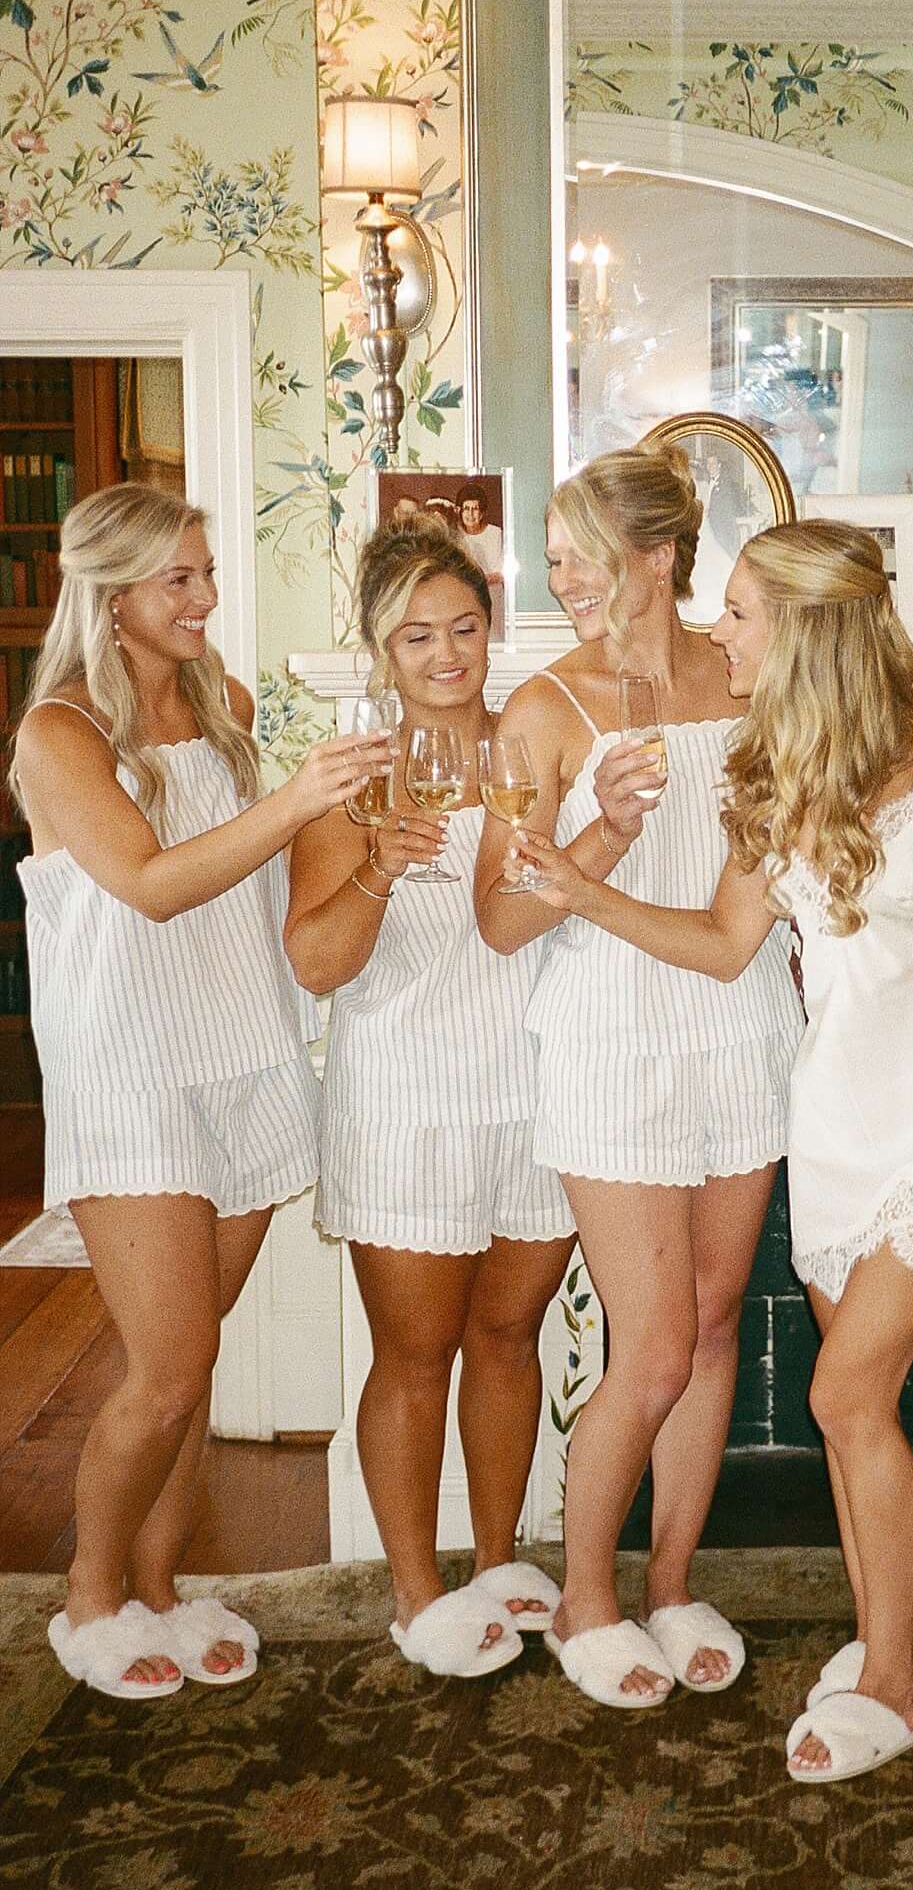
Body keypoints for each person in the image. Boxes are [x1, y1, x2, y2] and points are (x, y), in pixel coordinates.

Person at [552, 518, 913, 1784]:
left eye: (739, 614)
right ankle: (886, 1645)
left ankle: (893, 1679)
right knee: (855, 1415)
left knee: (838, 1395)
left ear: (809, 628)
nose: (719, 633)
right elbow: (724, 945)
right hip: (828, 1129)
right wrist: (581, 887)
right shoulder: (771, 769)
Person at [11, 477, 371, 1711]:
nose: (208, 600)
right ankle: (90, 1596)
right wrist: (301, 799)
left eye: (208, 572)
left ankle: (160, 1587)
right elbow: (154, 885)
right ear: (111, 594)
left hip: (244, 1053)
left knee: (197, 1360)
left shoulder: (222, 703)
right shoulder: (60, 735)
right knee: (164, 1368)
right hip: (134, 1077)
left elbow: (263, 890)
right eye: (182, 580)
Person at [471, 431, 802, 1714]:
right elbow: (502, 921)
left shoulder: (752, 685)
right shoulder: (539, 711)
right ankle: (583, 1595)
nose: (568, 587)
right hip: (608, 1045)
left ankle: (669, 1583)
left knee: (713, 1326)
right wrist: (601, 825)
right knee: (650, 1345)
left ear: (661, 558)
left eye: (587, 560)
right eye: (554, 564)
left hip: (739, 1032)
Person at [283, 515, 569, 1679]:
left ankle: (496, 1562)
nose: (447, 654)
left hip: (537, 1087)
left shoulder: (537, 746)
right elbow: (314, 962)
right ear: (379, 651)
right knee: (415, 1354)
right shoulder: (349, 781)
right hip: (402, 1098)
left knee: (506, 1337)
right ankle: (413, 1592)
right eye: (416, 638)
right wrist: (379, 863)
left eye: (463, 626)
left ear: (491, 626)